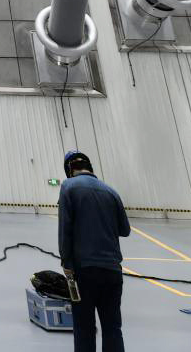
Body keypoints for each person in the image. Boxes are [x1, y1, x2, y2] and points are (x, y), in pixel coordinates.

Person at [57, 150, 131, 352]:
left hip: (84, 272)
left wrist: (67, 264)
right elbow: (125, 230)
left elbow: (65, 230)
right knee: (113, 328)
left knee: (84, 329)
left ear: (69, 170)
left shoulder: (68, 187)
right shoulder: (111, 192)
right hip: (112, 272)